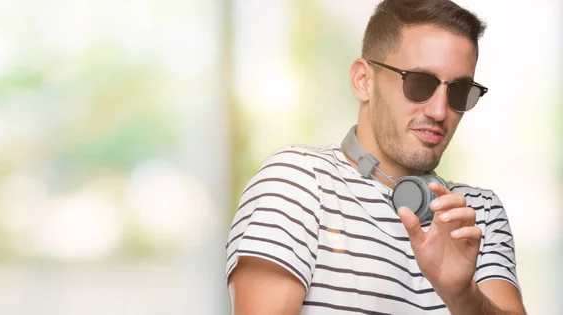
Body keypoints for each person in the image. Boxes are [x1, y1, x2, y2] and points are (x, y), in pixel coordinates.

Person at [224, 0, 526, 314]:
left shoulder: (479, 212)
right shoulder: (297, 182)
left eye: (460, 91)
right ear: (363, 81)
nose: (439, 111)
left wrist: (462, 295)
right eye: (419, 83)